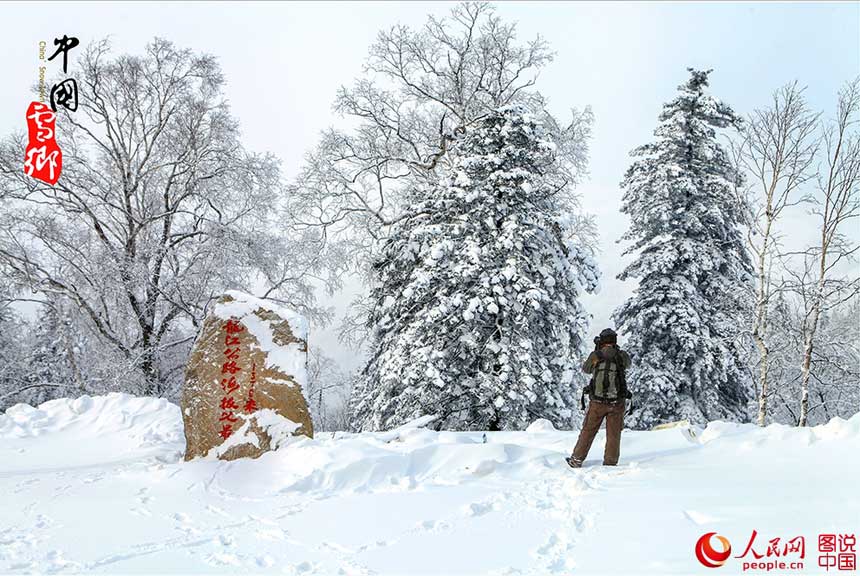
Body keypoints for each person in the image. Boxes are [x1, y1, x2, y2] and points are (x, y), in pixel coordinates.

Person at [566, 328, 631, 468]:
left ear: (601, 340)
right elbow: (628, 365)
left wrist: (597, 351)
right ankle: (610, 463)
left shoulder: (596, 355)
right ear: (614, 340)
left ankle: (576, 460)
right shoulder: (621, 355)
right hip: (617, 402)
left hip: (597, 402)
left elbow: (586, 369)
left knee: (588, 431)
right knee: (614, 434)